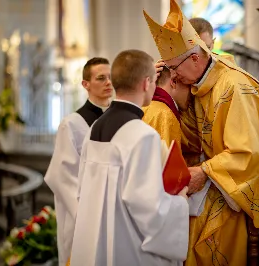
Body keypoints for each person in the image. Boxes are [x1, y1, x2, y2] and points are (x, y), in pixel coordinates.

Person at [144, 1, 259, 265]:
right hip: (221, 178)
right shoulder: (200, 82)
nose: (173, 76)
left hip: (248, 180)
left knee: (202, 234)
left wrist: (204, 171)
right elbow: (192, 136)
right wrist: (156, 92)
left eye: (174, 69)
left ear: (196, 58)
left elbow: (247, 154)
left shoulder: (233, 88)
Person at [69, 49, 190, 266]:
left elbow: (82, 191)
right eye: (153, 82)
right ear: (146, 83)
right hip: (125, 246)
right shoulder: (142, 135)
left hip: (93, 243)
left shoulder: (96, 127)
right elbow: (148, 208)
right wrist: (180, 202)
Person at [44, 57, 112, 266]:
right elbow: (61, 175)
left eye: (110, 77)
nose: (108, 83)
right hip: (83, 214)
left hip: (111, 210)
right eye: (101, 78)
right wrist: (87, 210)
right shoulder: (72, 124)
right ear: (86, 84)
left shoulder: (118, 120)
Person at [142, 65, 191, 147]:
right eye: (189, 85)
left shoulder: (141, 107)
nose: (192, 92)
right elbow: (168, 159)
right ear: (174, 82)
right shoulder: (165, 115)